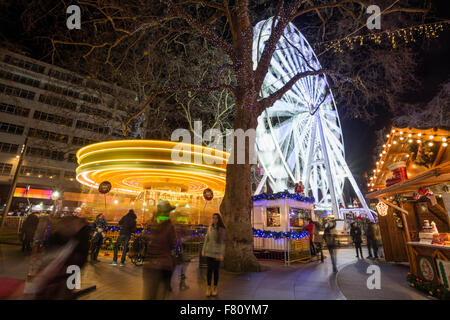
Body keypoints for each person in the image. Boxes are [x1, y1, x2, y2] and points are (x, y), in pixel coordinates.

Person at [143, 200, 177, 300]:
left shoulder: (151, 224)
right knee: (161, 293)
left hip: (150, 264)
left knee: (150, 293)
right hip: (164, 264)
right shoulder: (169, 227)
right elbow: (172, 244)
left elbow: (146, 239)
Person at [201, 213, 226, 297]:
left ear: (219, 220)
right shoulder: (210, 228)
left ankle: (215, 288)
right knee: (209, 271)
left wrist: (221, 254)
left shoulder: (222, 230)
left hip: (217, 254)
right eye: (213, 218)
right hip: (209, 252)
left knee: (215, 271)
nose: (214, 220)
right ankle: (208, 288)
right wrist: (203, 250)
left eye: (216, 218)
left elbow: (222, 243)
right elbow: (206, 240)